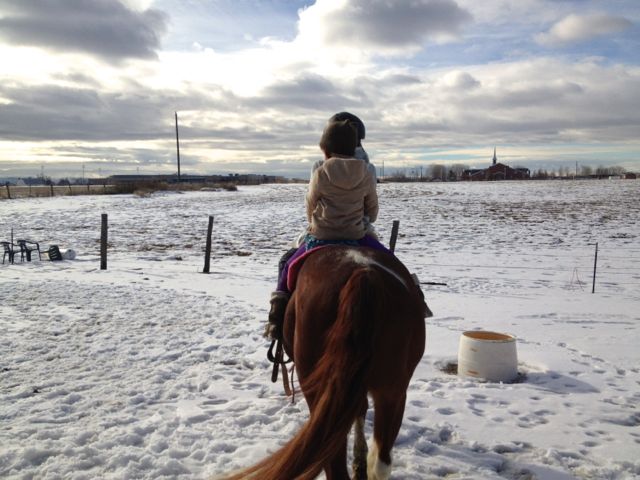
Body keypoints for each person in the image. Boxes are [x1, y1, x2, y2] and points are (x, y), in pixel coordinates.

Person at [265, 118, 389, 340]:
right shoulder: (366, 172)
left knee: (287, 263)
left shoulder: (321, 172)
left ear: (326, 148)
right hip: (356, 236)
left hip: (321, 237)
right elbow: (372, 210)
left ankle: (276, 317)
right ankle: (416, 297)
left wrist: (316, 222)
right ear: (353, 147)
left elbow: (310, 204)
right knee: (390, 261)